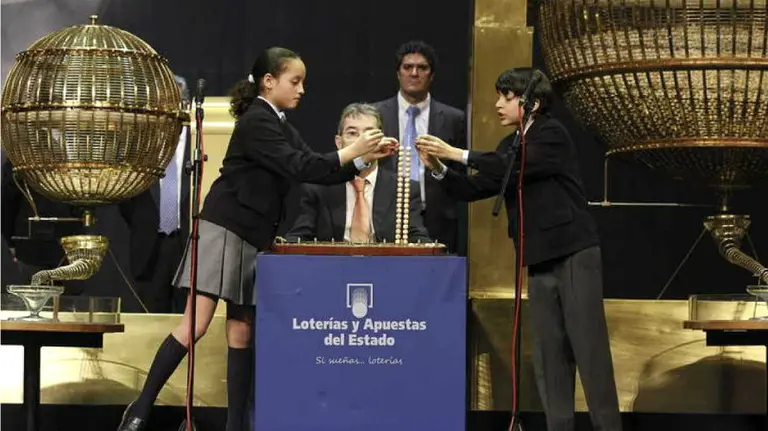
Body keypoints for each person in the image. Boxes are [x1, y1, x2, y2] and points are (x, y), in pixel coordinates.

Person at [117, 46, 395, 431]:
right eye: (294, 81)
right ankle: (140, 409)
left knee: (242, 328)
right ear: (269, 81)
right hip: (225, 227)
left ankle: (235, 425)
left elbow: (318, 170)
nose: (301, 90)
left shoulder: (282, 126)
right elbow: (299, 164)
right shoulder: (257, 121)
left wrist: (365, 159)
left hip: (254, 234)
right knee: (195, 323)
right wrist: (353, 150)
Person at [416, 68, 622, 431]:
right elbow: (474, 188)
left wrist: (455, 153)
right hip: (538, 258)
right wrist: (439, 169)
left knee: (589, 350)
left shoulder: (551, 135)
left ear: (532, 103)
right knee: (549, 355)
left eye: (507, 97)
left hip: (573, 252)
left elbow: (519, 163)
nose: (498, 104)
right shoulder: (507, 147)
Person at [285, 103, 432, 244]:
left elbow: (418, 238)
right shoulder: (318, 187)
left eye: (369, 133)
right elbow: (297, 238)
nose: (362, 141)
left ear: (383, 140)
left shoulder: (404, 188)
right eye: (352, 133)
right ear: (339, 142)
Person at [372, 40, 466, 253]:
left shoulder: (453, 118)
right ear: (398, 73)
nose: (414, 73)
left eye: (422, 67)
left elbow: (459, 175)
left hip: (437, 217)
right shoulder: (375, 114)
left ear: (431, 75)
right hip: (385, 215)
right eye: (407, 67)